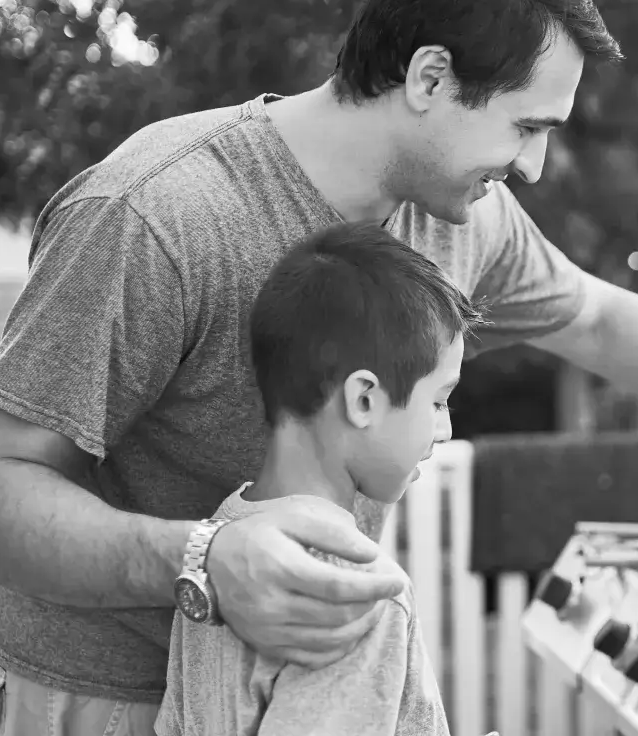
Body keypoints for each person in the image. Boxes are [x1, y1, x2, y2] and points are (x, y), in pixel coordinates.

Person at [0, 0, 638, 733]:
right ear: (428, 78)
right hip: (108, 703)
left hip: (313, 690)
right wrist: (200, 558)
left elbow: (596, 320)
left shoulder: (462, 217)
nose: (535, 167)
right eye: (526, 126)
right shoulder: (157, 215)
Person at [157, 223, 475, 736]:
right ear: (364, 399)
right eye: (438, 401)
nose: (445, 428)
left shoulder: (219, 542)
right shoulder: (353, 590)